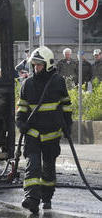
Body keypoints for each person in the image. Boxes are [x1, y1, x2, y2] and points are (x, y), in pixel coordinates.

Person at [16, 46, 72, 213]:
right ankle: (32, 198)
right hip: (33, 133)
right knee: (32, 165)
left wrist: (68, 126)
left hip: (52, 134)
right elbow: (22, 108)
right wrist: (20, 122)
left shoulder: (57, 82)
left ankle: (46, 197)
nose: (36, 68)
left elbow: (66, 107)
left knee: (48, 169)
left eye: (39, 65)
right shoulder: (27, 84)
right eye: (34, 65)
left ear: (47, 64)